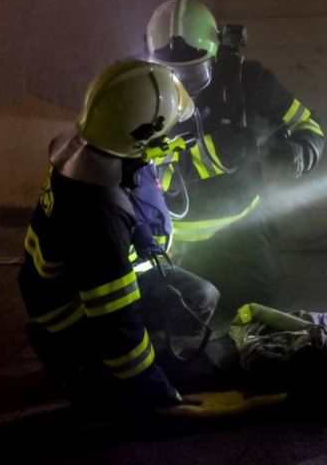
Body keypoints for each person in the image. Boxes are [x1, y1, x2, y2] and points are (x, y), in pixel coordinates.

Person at [18, 59, 280, 418]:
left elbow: (130, 187)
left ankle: (112, 361)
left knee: (201, 296)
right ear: (140, 134)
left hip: (62, 289)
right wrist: (153, 389)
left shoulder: (90, 148)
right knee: (138, 348)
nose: (170, 138)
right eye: (164, 132)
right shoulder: (99, 215)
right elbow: (115, 317)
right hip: (71, 313)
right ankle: (88, 371)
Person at [145, 0, 325, 319]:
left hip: (238, 229)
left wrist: (301, 152)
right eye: (173, 74)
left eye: (194, 74)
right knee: (160, 312)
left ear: (214, 56)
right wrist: (215, 153)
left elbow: (308, 125)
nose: (183, 87)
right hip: (171, 237)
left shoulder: (248, 81)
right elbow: (136, 166)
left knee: (255, 301)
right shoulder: (141, 91)